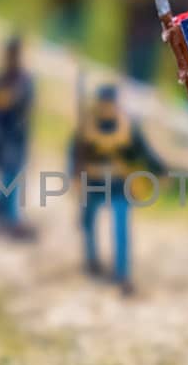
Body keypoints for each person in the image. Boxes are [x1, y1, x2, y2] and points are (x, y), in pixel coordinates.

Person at [70, 83, 167, 296]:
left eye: (110, 104)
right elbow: (75, 153)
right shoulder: (87, 126)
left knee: (121, 228)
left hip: (118, 185)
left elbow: (144, 151)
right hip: (93, 183)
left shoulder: (128, 127)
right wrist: (74, 175)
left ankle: (122, 273)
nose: (107, 108)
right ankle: (91, 260)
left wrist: (161, 170)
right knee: (87, 221)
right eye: (104, 104)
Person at [0, 36, 35, 238]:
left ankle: (9, 217)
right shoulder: (0, 79)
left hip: (15, 137)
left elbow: (19, 102)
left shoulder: (23, 81)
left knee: (11, 176)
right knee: (3, 176)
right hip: (0, 137)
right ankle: (3, 216)